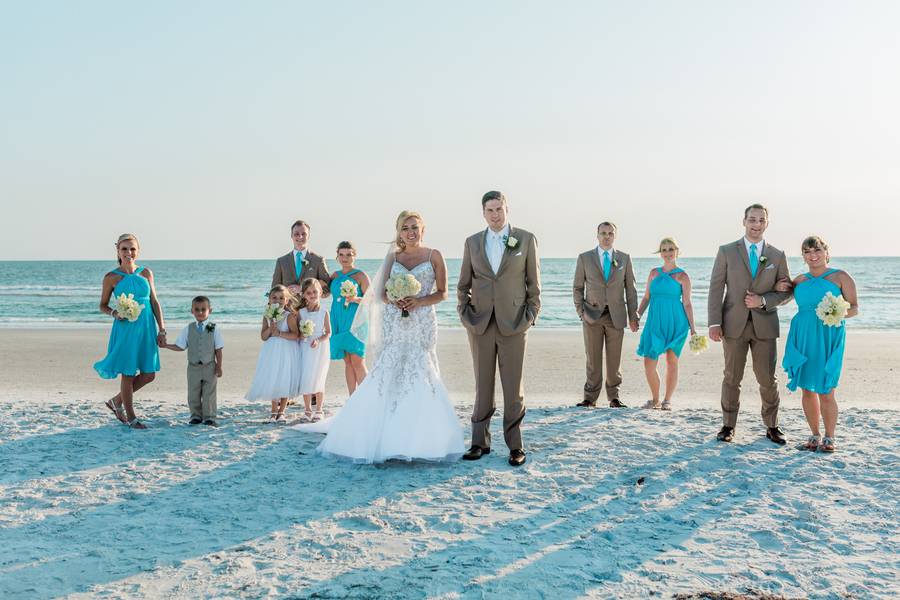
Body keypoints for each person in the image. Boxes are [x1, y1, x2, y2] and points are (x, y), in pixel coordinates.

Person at [294, 210, 465, 464]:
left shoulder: (434, 256)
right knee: (390, 370)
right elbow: (380, 294)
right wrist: (395, 300)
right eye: (405, 228)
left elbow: (443, 293)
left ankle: (421, 438)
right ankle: (384, 434)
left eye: (415, 227)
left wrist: (418, 301)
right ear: (399, 231)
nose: (410, 232)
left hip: (422, 322)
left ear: (423, 229)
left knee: (422, 369)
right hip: (395, 321)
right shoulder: (393, 258)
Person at [458, 191, 541, 466]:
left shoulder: (526, 240)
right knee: (483, 385)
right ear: (483, 213)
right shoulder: (472, 243)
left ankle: (515, 446)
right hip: (480, 323)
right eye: (490, 210)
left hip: (515, 322)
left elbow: (534, 285)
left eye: (499, 209)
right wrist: (465, 314)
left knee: (513, 387)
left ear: (507, 209)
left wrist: (530, 315)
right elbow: (463, 285)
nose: (495, 214)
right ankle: (479, 443)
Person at [708, 204, 792, 444]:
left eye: (761, 220)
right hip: (732, 324)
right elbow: (715, 289)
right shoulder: (726, 251)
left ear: (767, 223)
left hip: (765, 325)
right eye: (752, 220)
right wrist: (714, 323)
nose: (756, 224)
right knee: (732, 377)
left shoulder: (777, 255)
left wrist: (763, 300)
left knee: (767, 378)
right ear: (743, 221)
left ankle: (772, 426)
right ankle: (728, 425)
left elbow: (787, 292)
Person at [782, 236, 858, 452]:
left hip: (829, 335)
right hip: (803, 333)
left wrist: (837, 313)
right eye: (807, 252)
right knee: (807, 389)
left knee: (826, 389)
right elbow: (781, 296)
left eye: (816, 250)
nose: (812, 255)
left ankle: (830, 437)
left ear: (826, 251)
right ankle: (814, 434)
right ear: (803, 256)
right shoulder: (799, 281)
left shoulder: (841, 277)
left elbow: (854, 307)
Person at [94, 233, 166, 429]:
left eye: (132, 248)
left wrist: (162, 329)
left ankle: (117, 401)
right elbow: (102, 305)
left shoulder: (146, 273)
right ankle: (132, 418)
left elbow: (154, 302)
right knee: (128, 372)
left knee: (149, 374)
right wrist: (115, 313)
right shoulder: (111, 277)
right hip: (125, 329)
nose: (128, 252)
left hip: (146, 328)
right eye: (124, 249)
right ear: (117, 250)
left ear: (138, 250)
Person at [572, 222, 638, 408]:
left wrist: (633, 316)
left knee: (614, 360)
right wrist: (581, 312)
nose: (606, 236)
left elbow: (630, 290)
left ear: (615, 236)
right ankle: (590, 398)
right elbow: (577, 288)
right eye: (603, 233)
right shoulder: (585, 258)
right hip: (592, 315)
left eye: (610, 233)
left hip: (616, 315)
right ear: (597, 235)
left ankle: (614, 398)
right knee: (592, 358)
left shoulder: (624, 258)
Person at [635, 238, 695, 410]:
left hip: (677, 323)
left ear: (677, 251)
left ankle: (667, 400)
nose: (667, 252)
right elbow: (647, 297)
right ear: (660, 253)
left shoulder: (683, 276)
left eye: (671, 249)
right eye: (664, 249)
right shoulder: (653, 273)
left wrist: (693, 329)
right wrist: (638, 315)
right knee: (649, 362)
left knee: (671, 362)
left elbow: (687, 303)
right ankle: (655, 399)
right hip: (654, 323)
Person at [161, 296, 224, 426]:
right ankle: (195, 416)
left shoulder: (213, 328)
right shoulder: (188, 328)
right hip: (193, 367)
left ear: (209, 311)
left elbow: (218, 349)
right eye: (197, 309)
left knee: (209, 393)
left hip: (209, 366)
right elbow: (180, 346)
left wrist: (219, 366)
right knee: (193, 393)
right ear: (192, 311)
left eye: (203, 309)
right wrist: (166, 345)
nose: (200, 312)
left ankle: (209, 417)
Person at [245, 285, 303, 423]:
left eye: (282, 298)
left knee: (284, 378)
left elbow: (296, 335)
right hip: (272, 352)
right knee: (274, 379)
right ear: (269, 300)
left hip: (286, 351)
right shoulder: (267, 316)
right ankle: (273, 411)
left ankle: (282, 411)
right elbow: (263, 337)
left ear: (287, 301)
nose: (278, 300)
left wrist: (280, 333)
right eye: (274, 297)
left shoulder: (289, 316)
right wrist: (270, 330)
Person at [329, 241, 370, 394]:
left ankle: (367, 399)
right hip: (338, 320)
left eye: (348, 255)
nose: (344, 258)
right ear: (337, 256)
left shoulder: (360, 275)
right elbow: (323, 292)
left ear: (354, 256)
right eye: (341, 254)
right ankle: (353, 399)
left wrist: (355, 299)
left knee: (358, 361)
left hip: (356, 320)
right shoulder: (334, 275)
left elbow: (371, 300)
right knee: (347, 362)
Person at [297, 278, 331, 422]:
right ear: (304, 295)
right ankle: (307, 409)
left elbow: (328, 332)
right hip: (305, 346)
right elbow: (298, 332)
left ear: (321, 292)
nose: (312, 295)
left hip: (320, 347)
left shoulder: (324, 312)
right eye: (309, 293)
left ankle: (319, 409)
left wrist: (318, 340)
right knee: (306, 375)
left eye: (315, 292)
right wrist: (303, 335)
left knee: (319, 376)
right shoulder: (301, 313)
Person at [271, 220, 331, 297]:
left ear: (308, 236)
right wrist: (285, 292)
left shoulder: (318, 260)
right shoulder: (281, 261)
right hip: (288, 308)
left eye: (304, 234)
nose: (300, 237)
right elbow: (274, 290)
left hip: (311, 308)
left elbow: (327, 290)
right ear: (291, 236)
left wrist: (303, 289)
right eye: (296, 234)